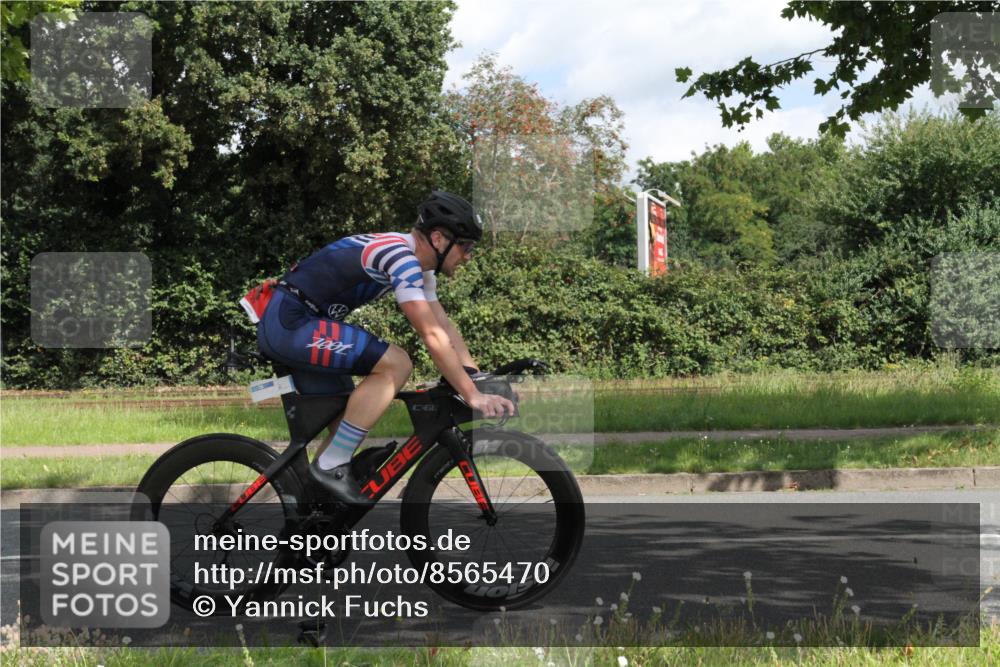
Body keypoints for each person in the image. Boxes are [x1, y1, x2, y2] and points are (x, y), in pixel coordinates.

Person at [239, 191, 515, 506]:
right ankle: (330, 467)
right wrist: (471, 394)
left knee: (350, 420)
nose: (468, 256)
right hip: (290, 323)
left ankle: (311, 515)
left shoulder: (419, 268)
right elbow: (430, 334)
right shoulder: (401, 258)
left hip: (302, 322)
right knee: (397, 364)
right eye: (466, 246)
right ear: (438, 238)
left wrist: (473, 376)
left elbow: (443, 326)